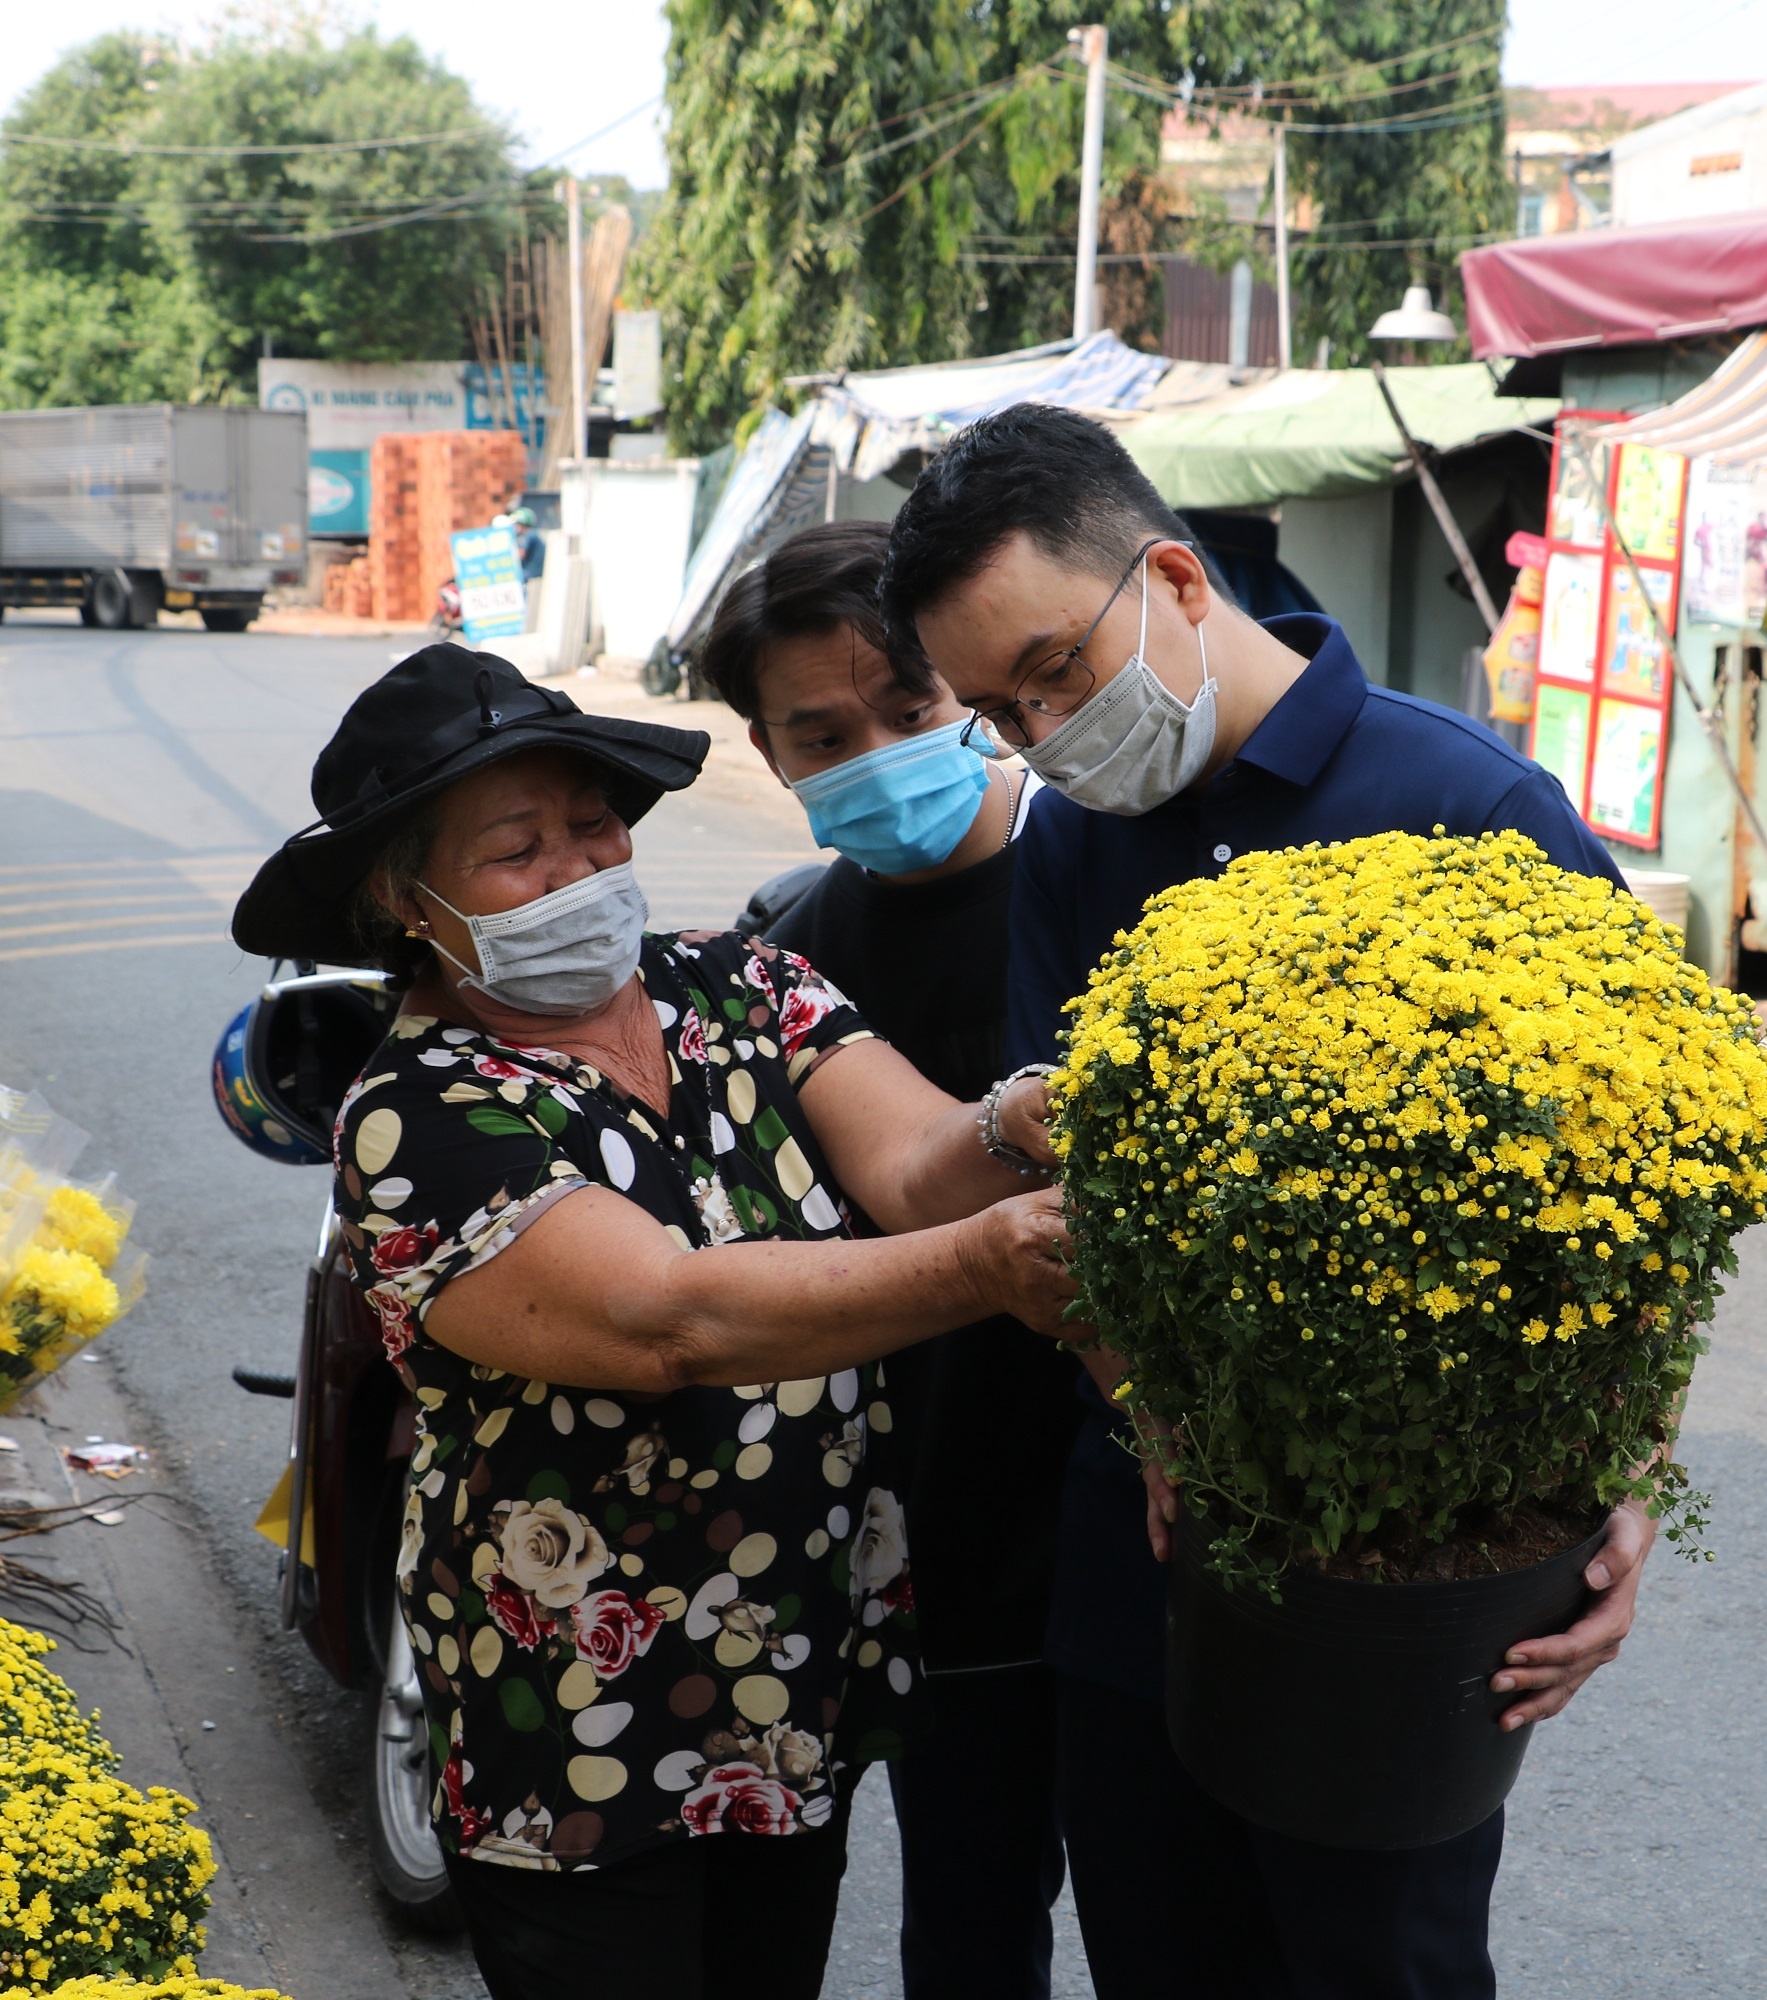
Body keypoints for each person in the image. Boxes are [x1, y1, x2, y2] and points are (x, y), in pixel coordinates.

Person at [877, 404, 1652, 1999]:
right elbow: (1069, 1177)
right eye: (1000, 715)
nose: (1043, 736)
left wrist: (1614, 1478)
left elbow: (1640, 1187)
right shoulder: (1072, 849)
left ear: (1169, 577)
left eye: (1056, 673)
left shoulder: (1474, 815)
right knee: (1165, 1958)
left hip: (1403, 1576)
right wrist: (1151, 1414)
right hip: (1139, 1559)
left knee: (1382, 1966)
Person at [229, 644, 1075, 2000]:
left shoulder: (742, 985)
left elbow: (919, 1160)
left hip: (789, 1664)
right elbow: (665, 1321)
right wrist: (985, 1266)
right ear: (409, 901)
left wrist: (1020, 1119)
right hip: (577, 1719)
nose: (580, 869)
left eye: (593, 824)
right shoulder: (417, 1111)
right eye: (517, 850)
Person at [700, 519, 1087, 2000]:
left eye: (911, 711)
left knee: (1105, 1910)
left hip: (1084, 1528)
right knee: (910, 1922)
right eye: (823, 733)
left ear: (971, 696)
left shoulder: (1102, 893)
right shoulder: (777, 953)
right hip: (869, 1531)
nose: (877, 750)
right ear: (771, 754)